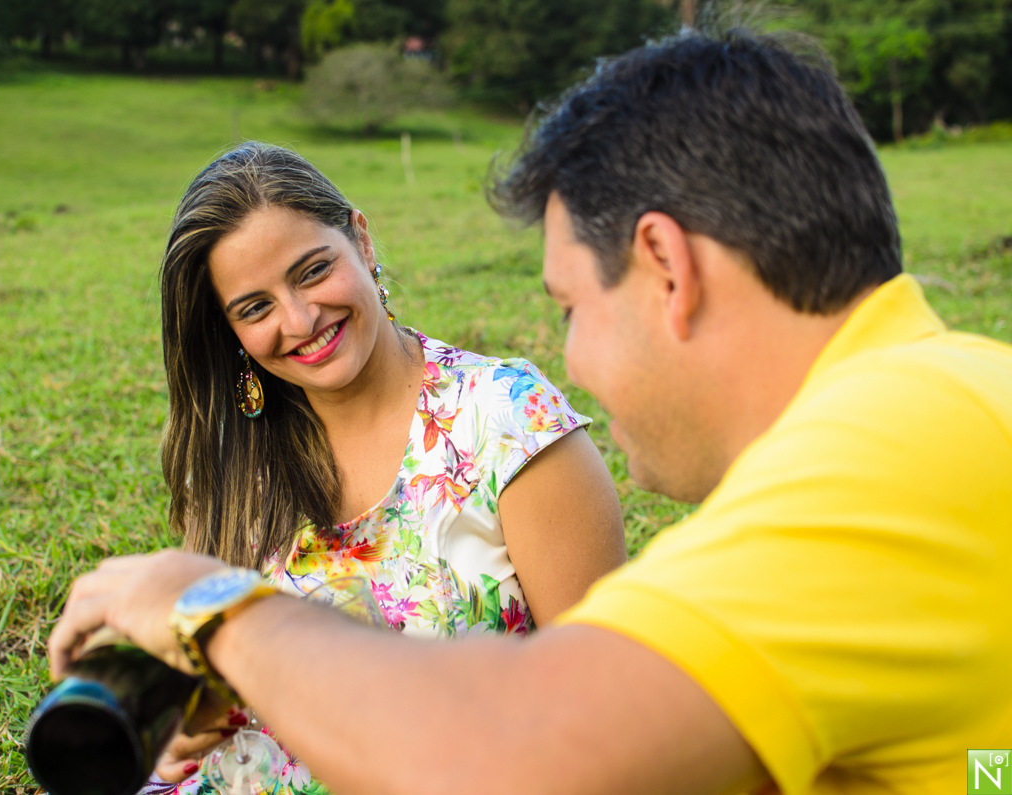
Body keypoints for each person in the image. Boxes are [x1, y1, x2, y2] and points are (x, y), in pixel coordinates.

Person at [49, 32, 1012, 795]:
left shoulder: (868, 476)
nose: (572, 358)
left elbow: (530, 752)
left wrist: (213, 607)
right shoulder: (945, 401)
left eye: (570, 306)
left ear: (666, 267)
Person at [138, 143, 625, 790]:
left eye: (313, 271)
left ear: (361, 241)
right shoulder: (236, 456)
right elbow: (211, 674)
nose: (300, 320)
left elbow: (599, 702)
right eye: (255, 308)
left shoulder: (507, 420)